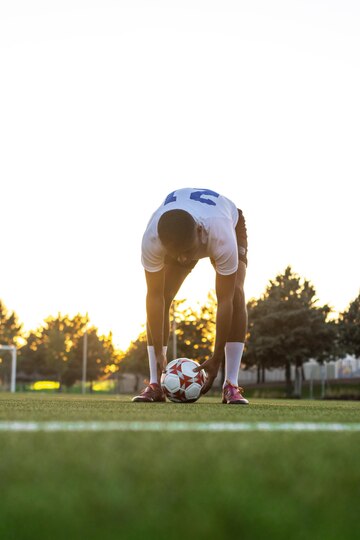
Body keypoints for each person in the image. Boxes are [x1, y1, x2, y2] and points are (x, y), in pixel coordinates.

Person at [132, 187, 249, 404]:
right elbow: (154, 297)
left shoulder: (221, 234)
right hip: (183, 234)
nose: (185, 260)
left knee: (235, 295)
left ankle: (231, 385)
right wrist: (158, 351)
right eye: (178, 255)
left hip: (227, 220)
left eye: (187, 252)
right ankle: (155, 384)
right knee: (164, 296)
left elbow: (224, 302)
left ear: (198, 231)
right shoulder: (153, 238)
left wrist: (216, 358)